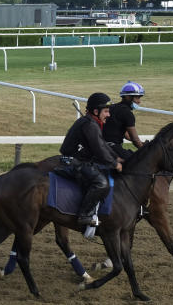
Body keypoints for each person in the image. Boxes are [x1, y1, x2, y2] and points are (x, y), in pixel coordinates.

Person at [58, 92, 123, 234]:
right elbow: (99, 150)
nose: (108, 115)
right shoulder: (90, 125)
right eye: (106, 111)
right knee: (101, 183)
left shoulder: (92, 123)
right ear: (96, 111)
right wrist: (114, 164)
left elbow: (103, 145)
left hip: (78, 160)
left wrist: (116, 158)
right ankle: (85, 215)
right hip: (72, 162)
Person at [104, 81, 145, 161]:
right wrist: (145, 149)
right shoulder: (127, 114)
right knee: (136, 162)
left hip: (101, 145)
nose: (139, 101)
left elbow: (126, 135)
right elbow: (134, 139)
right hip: (112, 148)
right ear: (128, 97)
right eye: (137, 97)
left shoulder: (112, 107)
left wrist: (141, 143)